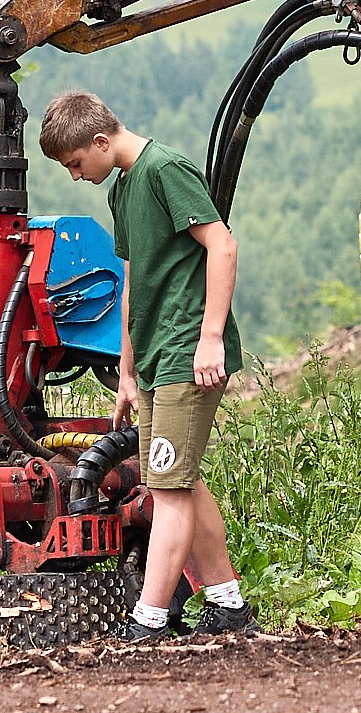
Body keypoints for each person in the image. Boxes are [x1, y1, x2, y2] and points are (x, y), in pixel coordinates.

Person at [38, 89, 254, 640]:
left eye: (75, 163)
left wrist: (211, 339)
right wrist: (127, 374)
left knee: (169, 490)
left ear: (100, 141)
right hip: (155, 357)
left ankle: (148, 621)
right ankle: (228, 606)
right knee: (178, 480)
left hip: (187, 353)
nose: (76, 175)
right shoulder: (124, 187)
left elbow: (223, 247)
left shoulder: (165, 170)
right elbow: (133, 282)